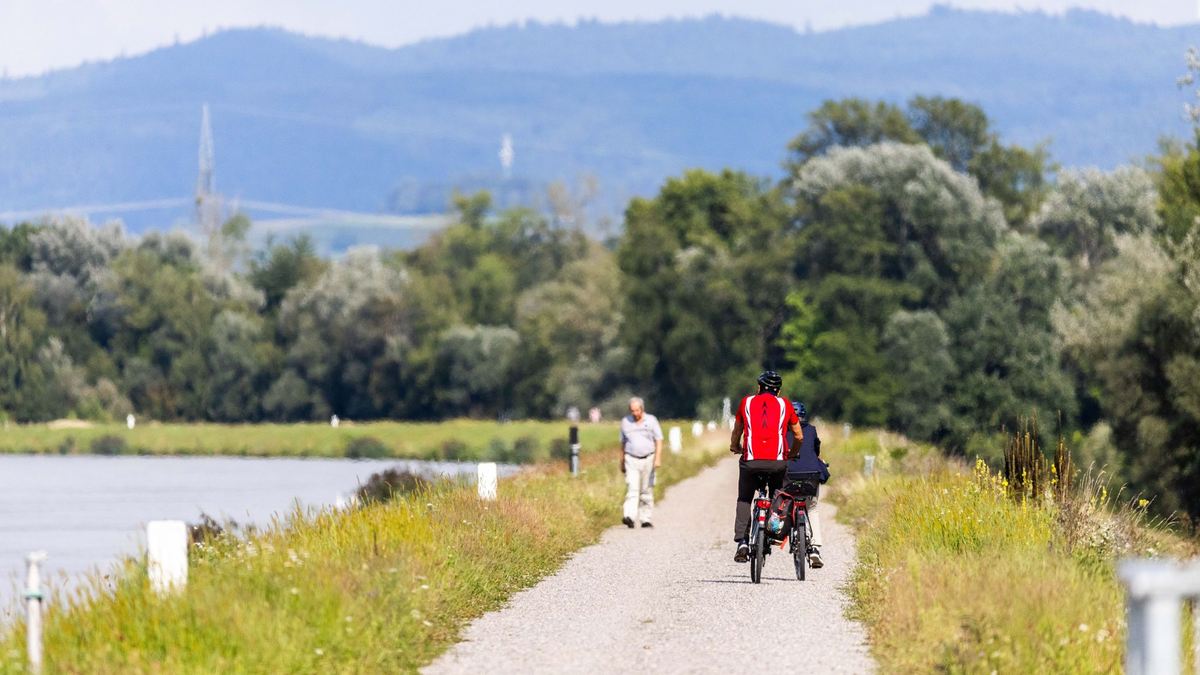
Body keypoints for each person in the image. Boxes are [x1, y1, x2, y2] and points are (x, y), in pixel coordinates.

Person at [729, 371, 803, 562]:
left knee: (745, 498)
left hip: (750, 461)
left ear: (759, 387)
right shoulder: (785, 404)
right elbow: (798, 435)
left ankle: (742, 541)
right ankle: (772, 531)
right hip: (778, 462)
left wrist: (735, 446)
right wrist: (792, 453)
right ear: (778, 391)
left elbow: (737, 430)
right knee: (777, 494)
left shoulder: (746, 402)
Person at [785, 401, 824, 568]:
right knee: (812, 508)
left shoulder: (782, 431)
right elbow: (816, 451)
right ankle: (815, 548)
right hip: (810, 477)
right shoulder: (812, 430)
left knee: (785, 503)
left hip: (788, 476)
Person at [619, 397, 663, 528]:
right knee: (632, 488)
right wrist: (621, 461)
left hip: (648, 458)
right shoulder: (625, 422)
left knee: (646, 489)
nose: (635, 413)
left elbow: (658, 440)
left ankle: (645, 518)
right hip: (631, 458)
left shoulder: (651, 420)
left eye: (637, 410)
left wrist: (657, 458)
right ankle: (629, 516)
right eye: (632, 411)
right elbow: (623, 443)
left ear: (642, 409)